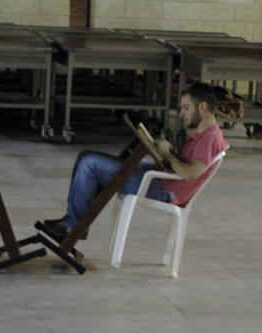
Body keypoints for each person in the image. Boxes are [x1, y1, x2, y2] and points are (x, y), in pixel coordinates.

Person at [41, 82, 229, 239]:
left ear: (202, 107)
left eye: (186, 108)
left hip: (162, 188)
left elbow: (190, 174)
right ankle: (74, 221)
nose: (181, 114)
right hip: (159, 178)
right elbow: (187, 165)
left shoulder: (210, 138)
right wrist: (168, 151)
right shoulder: (204, 135)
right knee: (85, 155)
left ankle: (74, 227)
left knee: (89, 163)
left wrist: (168, 155)